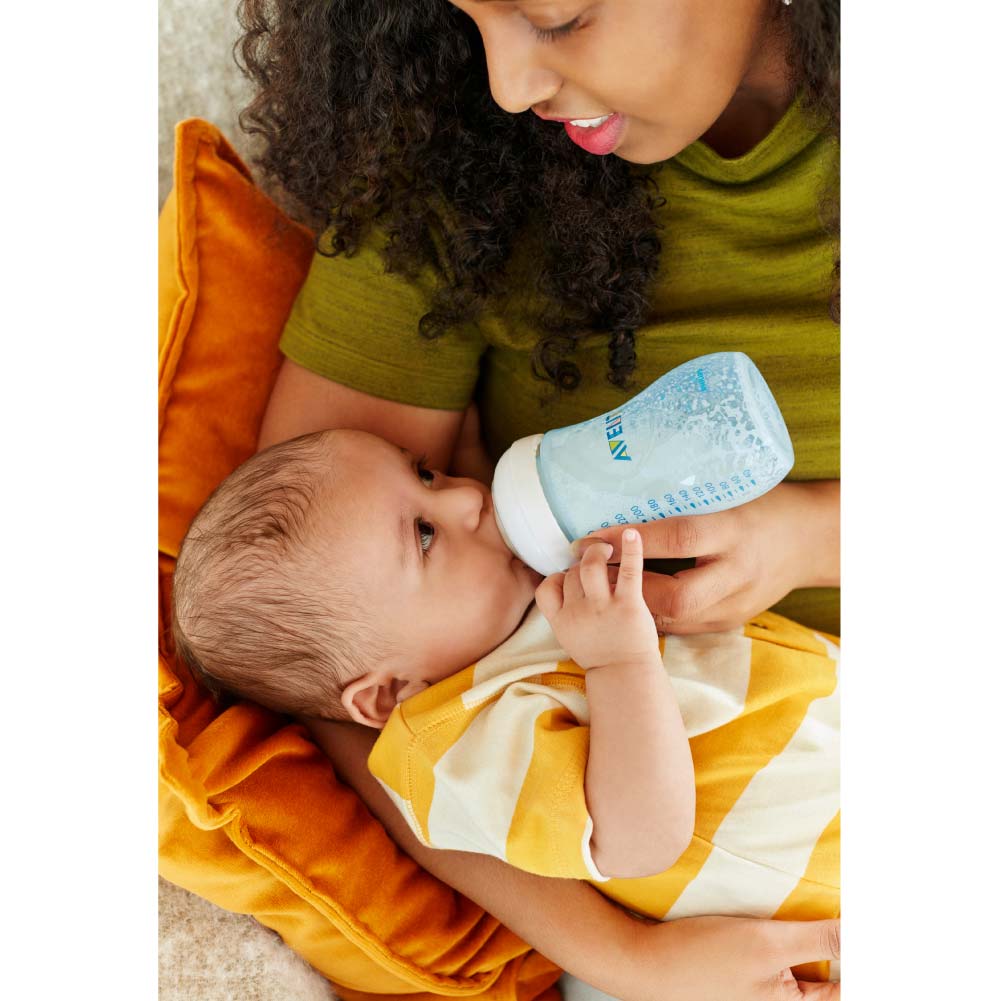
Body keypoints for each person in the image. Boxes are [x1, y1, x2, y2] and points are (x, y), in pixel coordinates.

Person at [231, 0, 841, 995]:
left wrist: (815, 538)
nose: (508, 86)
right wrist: (625, 957)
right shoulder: (448, 154)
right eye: (468, 18)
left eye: (555, 17)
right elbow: (320, 657)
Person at [171, 428, 839, 981]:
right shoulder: (455, 747)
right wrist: (620, 663)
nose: (468, 496)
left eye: (424, 472)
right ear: (387, 691)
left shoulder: (511, 599)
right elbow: (639, 842)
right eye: (424, 534)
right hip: (818, 883)